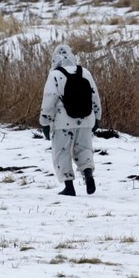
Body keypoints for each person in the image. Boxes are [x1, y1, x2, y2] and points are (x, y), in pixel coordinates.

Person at [39, 44, 102, 196]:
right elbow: (95, 97)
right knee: (84, 149)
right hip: (86, 119)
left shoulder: (55, 74)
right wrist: (97, 118)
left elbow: (49, 99)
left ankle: (69, 186)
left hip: (63, 121)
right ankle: (87, 173)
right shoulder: (84, 72)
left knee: (62, 152)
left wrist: (45, 123)